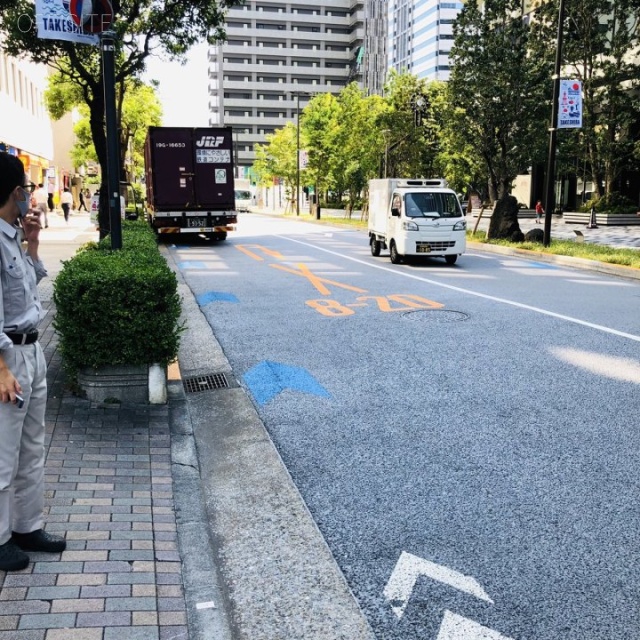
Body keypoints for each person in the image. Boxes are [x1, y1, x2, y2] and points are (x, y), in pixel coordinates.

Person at [0, 152, 66, 572]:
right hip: (8, 360)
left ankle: (27, 527)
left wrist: (34, 245)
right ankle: (1, 538)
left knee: (31, 448)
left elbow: (29, 287)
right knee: (4, 455)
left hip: (33, 351)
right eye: (25, 189)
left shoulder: (11, 235)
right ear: (14, 192)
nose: (29, 195)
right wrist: (1, 369)